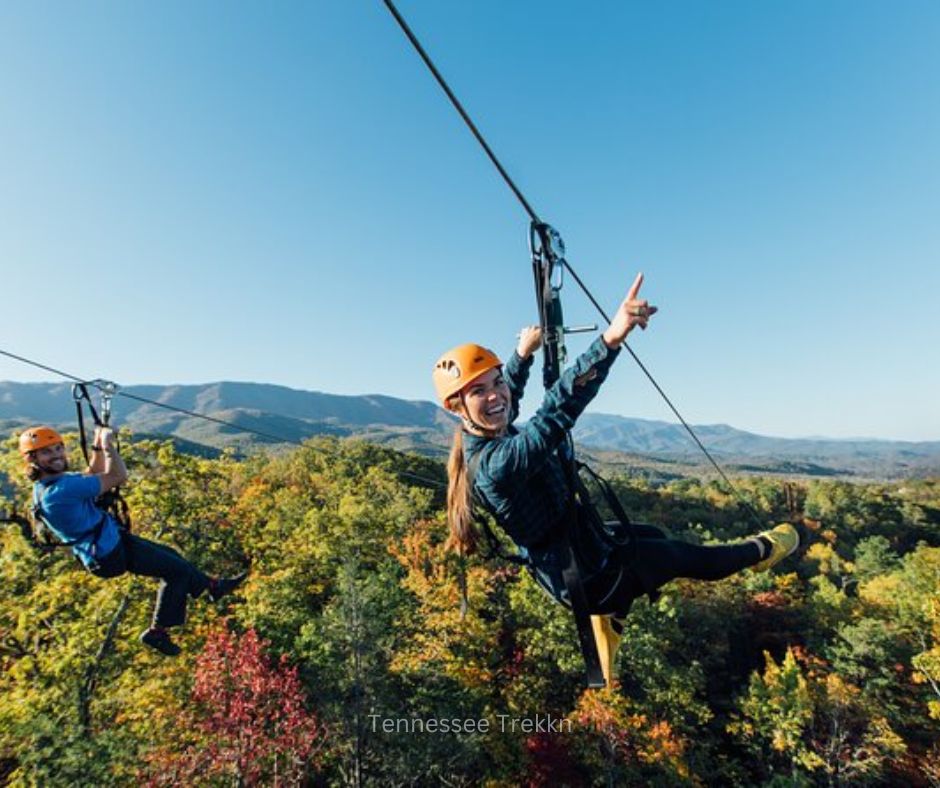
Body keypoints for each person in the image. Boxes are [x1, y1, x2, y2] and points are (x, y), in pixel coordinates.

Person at [433, 272, 799, 625]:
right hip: (585, 581)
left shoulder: (485, 430)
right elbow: (554, 413)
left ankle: (612, 620)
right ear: (456, 407)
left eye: (496, 382)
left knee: (653, 535)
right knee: (682, 556)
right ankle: (761, 551)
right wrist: (610, 340)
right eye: (478, 391)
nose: (495, 395)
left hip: (577, 543)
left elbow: (507, 396)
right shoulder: (494, 465)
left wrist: (521, 356)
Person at [19, 424, 248, 656]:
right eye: (47, 452)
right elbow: (117, 476)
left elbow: (91, 475)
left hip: (106, 546)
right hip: (108, 553)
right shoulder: (62, 489)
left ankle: (211, 586)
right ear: (32, 459)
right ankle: (158, 631)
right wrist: (109, 447)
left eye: (58, 448)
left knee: (172, 558)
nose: (57, 455)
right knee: (175, 571)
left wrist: (98, 441)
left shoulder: (45, 487)